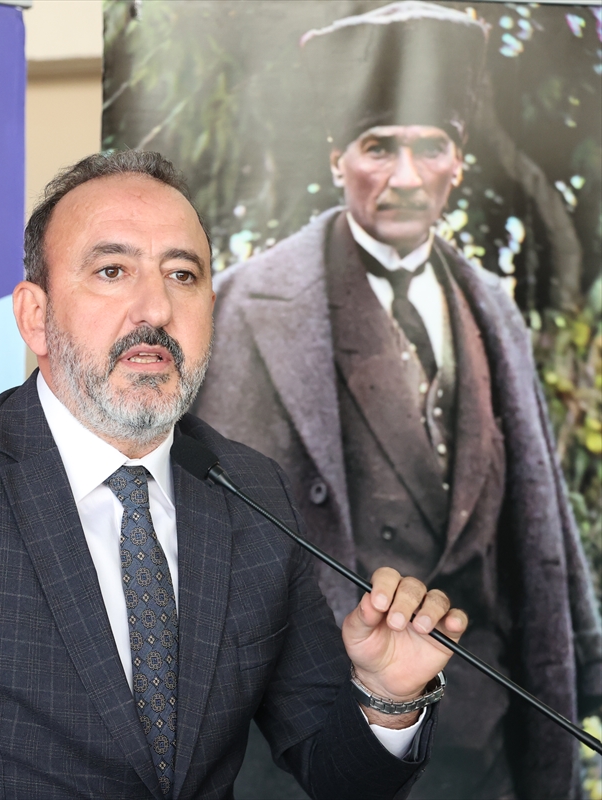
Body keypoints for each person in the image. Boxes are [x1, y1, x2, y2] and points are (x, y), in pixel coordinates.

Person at [0, 150, 468, 799]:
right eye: (112, 271)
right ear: (35, 317)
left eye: (183, 274)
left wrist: (387, 699)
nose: (155, 308)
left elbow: (334, 773)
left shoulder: (251, 492)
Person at [193, 4, 602, 799]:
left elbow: (535, 522)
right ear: (337, 157)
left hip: (481, 741)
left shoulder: (493, 310)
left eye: (430, 147)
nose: (406, 178)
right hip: (325, 740)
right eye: (379, 147)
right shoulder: (242, 308)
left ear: (460, 161)